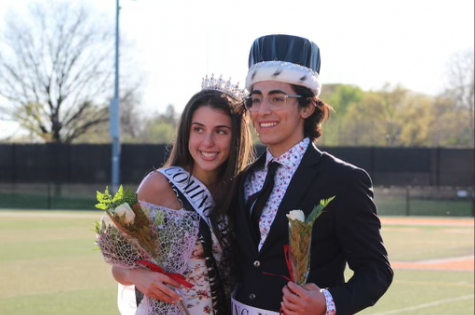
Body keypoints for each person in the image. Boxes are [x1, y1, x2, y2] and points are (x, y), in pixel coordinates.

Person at [233, 34, 393, 315]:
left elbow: (376, 271)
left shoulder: (343, 181)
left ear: (307, 106)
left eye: (277, 98)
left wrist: (326, 302)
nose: (262, 111)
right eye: (255, 100)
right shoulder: (243, 179)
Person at [112, 75, 253, 315]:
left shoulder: (246, 188)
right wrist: (138, 277)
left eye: (220, 131)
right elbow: (119, 265)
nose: (207, 142)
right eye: (198, 129)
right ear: (186, 133)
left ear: (237, 137)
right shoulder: (158, 185)